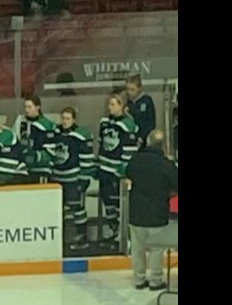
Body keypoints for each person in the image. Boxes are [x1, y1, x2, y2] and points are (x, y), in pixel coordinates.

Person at [125, 130, 178, 290]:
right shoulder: (166, 164)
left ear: (147, 142)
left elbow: (128, 173)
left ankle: (139, 279)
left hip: (136, 210)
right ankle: (155, 280)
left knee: (137, 247)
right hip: (157, 211)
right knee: (156, 247)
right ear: (162, 145)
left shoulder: (135, 160)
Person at [97, 94, 139, 244]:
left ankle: (124, 233)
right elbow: (101, 143)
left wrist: (124, 168)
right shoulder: (104, 122)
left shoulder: (128, 124)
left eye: (114, 104)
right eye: (109, 104)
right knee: (107, 200)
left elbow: (130, 150)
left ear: (122, 106)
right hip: (104, 168)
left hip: (118, 170)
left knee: (119, 202)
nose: (111, 107)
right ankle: (114, 229)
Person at [53, 107, 96, 251]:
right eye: (63, 118)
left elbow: (86, 159)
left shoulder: (80, 135)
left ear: (74, 119)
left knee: (77, 208)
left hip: (73, 178)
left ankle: (82, 236)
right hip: (57, 178)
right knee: (57, 209)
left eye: (68, 119)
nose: (64, 121)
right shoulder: (56, 132)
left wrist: (84, 179)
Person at [19, 94, 57, 183]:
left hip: (42, 169)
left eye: (29, 107)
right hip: (27, 169)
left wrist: (36, 157)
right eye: (25, 107)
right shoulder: (22, 123)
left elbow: (51, 149)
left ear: (37, 107)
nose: (26, 110)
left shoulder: (46, 125)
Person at [124, 74, 156, 151]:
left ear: (139, 89)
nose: (129, 92)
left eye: (132, 90)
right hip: (129, 138)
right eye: (127, 89)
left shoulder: (146, 100)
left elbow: (151, 123)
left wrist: (142, 137)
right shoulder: (127, 102)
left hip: (144, 140)